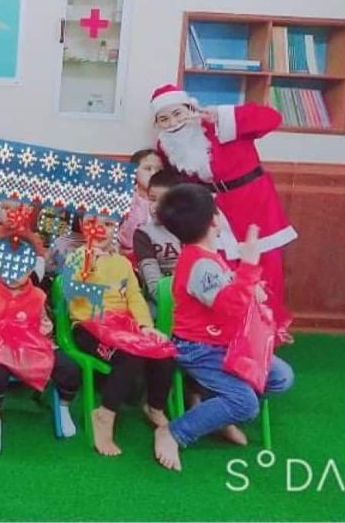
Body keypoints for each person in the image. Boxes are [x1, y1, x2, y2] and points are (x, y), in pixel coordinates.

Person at [152, 183, 294, 472]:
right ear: (214, 220)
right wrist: (249, 266)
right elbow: (229, 306)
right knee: (246, 404)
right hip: (200, 349)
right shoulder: (200, 264)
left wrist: (251, 285)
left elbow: (230, 291)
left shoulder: (208, 256)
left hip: (229, 344)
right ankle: (173, 432)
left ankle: (217, 411)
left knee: (281, 377)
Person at [150, 83, 295, 331]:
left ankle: (267, 333)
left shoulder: (220, 124)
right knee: (224, 272)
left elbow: (272, 118)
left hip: (254, 204)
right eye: (164, 119)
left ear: (190, 108)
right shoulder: (166, 145)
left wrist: (222, 114)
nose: (173, 122)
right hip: (213, 212)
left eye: (177, 113)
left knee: (265, 269)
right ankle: (231, 333)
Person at [64, 214, 175, 456]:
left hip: (123, 327)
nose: (101, 230)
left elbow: (134, 296)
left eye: (107, 224)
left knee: (163, 350)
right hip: (88, 326)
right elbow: (71, 292)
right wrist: (88, 264)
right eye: (93, 224)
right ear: (83, 226)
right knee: (129, 357)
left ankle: (154, 406)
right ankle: (105, 414)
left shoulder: (123, 263)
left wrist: (145, 326)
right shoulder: (76, 257)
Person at [0, 227, 81, 456]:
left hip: (34, 348)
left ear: (31, 268)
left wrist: (47, 329)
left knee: (70, 369)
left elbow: (44, 324)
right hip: (3, 348)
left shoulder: (38, 296)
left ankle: (63, 408)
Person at [132, 168, 187, 306]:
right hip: (161, 303)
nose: (156, 206)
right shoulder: (143, 234)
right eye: (152, 199)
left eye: (164, 201)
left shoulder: (193, 229)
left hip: (192, 298)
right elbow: (154, 285)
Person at [117, 149, 164, 260]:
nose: (154, 173)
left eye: (159, 170)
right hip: (126, 256)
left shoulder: (167, 200)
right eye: (148, 168)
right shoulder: (125, 197)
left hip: (158, 256)